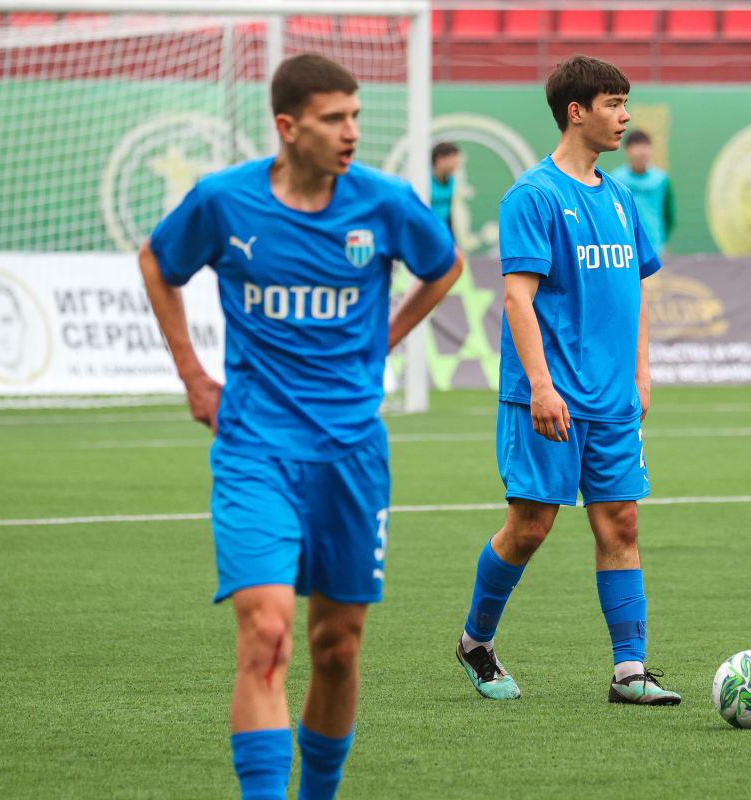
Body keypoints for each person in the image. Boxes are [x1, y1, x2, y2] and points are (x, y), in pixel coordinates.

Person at [139, 54, 463, 800]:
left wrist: (385, 337)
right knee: (267, 633)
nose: (351, 132)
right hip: (254, 448)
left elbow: (443, 265)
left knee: (336, 648)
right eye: (333, 119)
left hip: (351, 454)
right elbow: (158, 262)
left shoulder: (385, 202)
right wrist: (194, 376)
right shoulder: (224, 201)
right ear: (287, 127)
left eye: (355, 116)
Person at [454, 54, 680, 706]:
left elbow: (637, 291)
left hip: (613, 398)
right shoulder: (533, 196)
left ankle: (629, 670)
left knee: (622, 524)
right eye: (614, 104)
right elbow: (517, 298)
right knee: (530, 526)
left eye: (626, 103)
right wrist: (541, 385)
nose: (626, 116)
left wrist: (640, 373)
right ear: (576, 112)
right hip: (549, 396)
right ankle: (476, 640)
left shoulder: (623, 198)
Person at [609, 129, 676, 253]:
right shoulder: (616, 179)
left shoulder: (661, 180)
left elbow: (669, 216)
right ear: (627, 150)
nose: (642, 152)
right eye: (637, 146)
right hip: (625, 247)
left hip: (654, 247)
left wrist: (661, 240)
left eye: (645, 146)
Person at [430, 141, 460, 231]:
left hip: (441, 231)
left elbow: (449, 214)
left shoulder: (452, 182)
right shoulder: (423, 182)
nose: (456, 164)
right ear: (440, 159)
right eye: (453, 158)